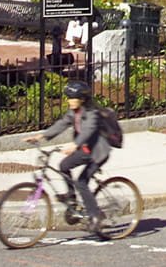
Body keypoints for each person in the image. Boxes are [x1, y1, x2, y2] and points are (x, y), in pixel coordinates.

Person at [27, 79, 111, 230]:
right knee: (63, 165)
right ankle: (72, 198)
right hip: (85, 150)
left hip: (97, 153)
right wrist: (42, 136)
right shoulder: (74, 112)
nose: (70, 101)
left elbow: (88, 130)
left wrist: (75, 144)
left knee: (81, 182)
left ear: (83, 99)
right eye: (69, 98)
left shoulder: (92, 113)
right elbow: (62, 123)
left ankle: (95, 216)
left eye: (73, 98)